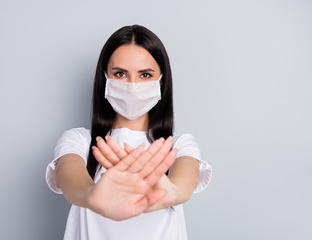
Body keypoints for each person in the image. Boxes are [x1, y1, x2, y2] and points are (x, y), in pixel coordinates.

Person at [46, 25, 212, 240]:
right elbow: (69, 176)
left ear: (161, 81)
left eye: (145, 74)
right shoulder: (79, 140)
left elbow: (185, 182)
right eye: (120, 74)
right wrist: (91, 195)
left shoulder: (178, 144)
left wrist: (170, 192)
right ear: (105, 78)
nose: (133, 85)